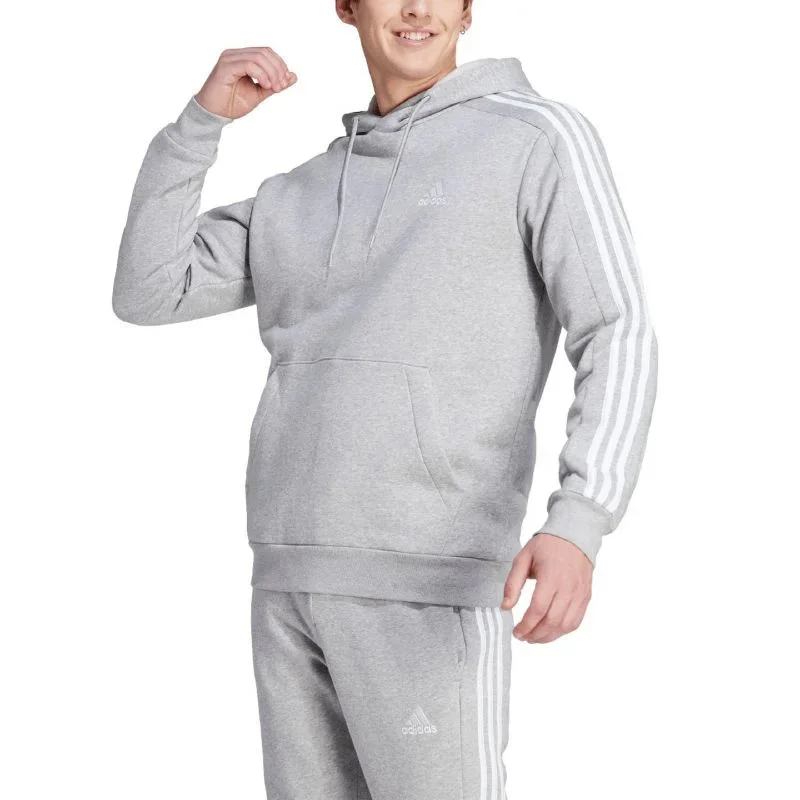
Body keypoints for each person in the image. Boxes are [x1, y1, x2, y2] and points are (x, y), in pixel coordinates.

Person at [113, 1, 658, 797]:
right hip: (288, 580)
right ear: (347, 6)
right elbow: (149, 290)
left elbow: (618, 328)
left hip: (432, 581)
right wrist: (200, 126)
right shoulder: (303, 190)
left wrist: (581, 520)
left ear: (467, 10)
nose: (415, 8)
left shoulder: (535, 138)